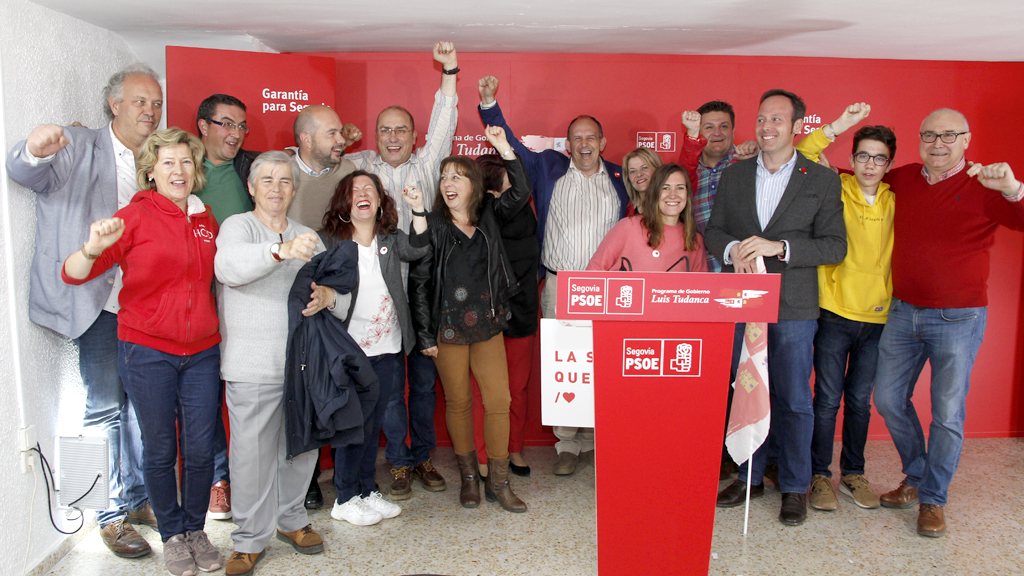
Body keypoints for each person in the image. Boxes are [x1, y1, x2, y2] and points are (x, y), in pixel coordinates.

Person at [4, 63, 160, 558]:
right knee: (103, 406)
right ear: (114, 105)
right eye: (140, 101)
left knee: (139, 406)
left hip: (140, 304)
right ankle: (108, 516)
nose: (151, 111)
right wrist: (32, 149)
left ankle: (137, 498)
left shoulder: (158, 159)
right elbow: (24, 171)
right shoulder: (78, 145)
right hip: (94, 301)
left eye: (156, 103)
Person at [61, 128, 224, 576]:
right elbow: (73, 273)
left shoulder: (206, 220)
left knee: (200, 449)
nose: (179, 170)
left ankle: (195, 530)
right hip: (147, 350)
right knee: (159, 448)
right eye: (168, 162)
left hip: (202, 353)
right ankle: (172, 535)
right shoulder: (134, 216)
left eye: (186, 161)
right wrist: (92, 247)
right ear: (151, 171)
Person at [872, 108, 1024, 537]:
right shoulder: (903, 178)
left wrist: (1013, 188)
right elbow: (857, 176)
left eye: (948, 135)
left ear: (966, 140)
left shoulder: (985, 184)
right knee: (887, 399)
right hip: (903, 311)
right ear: (920, 139)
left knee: (947, 413)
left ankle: (933, 499)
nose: (938, 143)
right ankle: (917, 474)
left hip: (959, 317)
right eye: (929, 135)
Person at [705, 89, 846, 527]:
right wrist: (732, 249)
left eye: (777, 120)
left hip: (793, 307)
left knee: (794, 398)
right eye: (762, 119)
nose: (766, 127)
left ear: (797, 126)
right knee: (745, 390)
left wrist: (780, 247)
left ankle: (795, 486)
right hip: (742, 302)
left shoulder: (821, 179)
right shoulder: (734, 175)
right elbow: (714, 230)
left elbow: (835, 246)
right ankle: (749, 478)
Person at [478, 75, 628, 476]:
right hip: (561, 283)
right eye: (577, 138)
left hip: (608, 289)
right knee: (567, 363)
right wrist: (490, 104)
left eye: (591, 137)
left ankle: (596, 439)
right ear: (567, 144)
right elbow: (508, 143)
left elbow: (668, 188)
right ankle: (567, 445)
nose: (584, 143)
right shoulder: (548, 167)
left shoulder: (622, 178)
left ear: (603, 142)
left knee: (603, 365)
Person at [342, 41, 460, 500]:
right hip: (380, 301)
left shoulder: (428, 165)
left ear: (414, 137)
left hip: (425, 297)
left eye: (401, 130)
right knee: (390, 391)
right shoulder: (360, 167)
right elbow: (312, 158)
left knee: (425, 387)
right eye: (385, 130)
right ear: (375, 136)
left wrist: (449, 70)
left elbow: (444, 119)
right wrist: (337, 142)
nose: (393, 137)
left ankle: (424, 457)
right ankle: (398, 462)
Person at [214, 151, 327, 576]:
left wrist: (330, 297)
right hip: (252, 366)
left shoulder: (308, 235)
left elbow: (338, 288)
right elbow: (228, 268)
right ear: (251, 187)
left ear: (294, 189)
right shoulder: (238, 227)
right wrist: (280, 251)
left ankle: (292, 520)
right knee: (251, 458)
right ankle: (248, 539)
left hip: (302, 367)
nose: (276, 188)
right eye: (267, 180)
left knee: (299, 451)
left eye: (284, 181)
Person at [409, 126, 531, 512]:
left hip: (488, 324)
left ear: (474, 185)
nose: (448, 183)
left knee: (499, 400)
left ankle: (499, 482)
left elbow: (521, 192)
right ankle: (469, 479)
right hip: (447, 329)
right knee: (459, 402)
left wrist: (504, 149)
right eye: (444, 177)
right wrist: (424, 334)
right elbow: (419, 281)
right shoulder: (432, 223)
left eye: (457, 176)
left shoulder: (490, 214)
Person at [793, 103, 894, 513]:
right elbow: (803, 154)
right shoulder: (836, 186)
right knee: (827, 399)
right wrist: (838, 126)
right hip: (835, 312)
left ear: (889, 164)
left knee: (860, 402)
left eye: (879, 158)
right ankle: (819, 475)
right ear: (852, 159)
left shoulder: (896, 198)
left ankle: (853, 472)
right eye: (863, 156)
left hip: (879, 318)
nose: (870, 164)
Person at [315, 169, 429, 525]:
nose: (363, 194)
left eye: (370, 189)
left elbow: (420, 248)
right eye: (355, 190)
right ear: (344, 202)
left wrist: (419, 210)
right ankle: (345, 497)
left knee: (373, 424)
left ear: (380, 201)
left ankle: (365, 491)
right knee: (353, 427)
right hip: (349, 352)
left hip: (389, 347)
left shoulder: (390, 239)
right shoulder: (328, 241)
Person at [195, 92, 261, 521]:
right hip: (194, 300)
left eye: (241, 126)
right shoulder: (180, 167)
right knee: (204, 398)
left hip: (240, 300)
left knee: (248, 392)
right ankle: (219, 481)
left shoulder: (249, 168)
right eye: (226, 124)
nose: (235, 134)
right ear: (203, 126)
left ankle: (251, 479)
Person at [470, 153, 540, 477]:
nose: (518, 186)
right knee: (484, 390)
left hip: (523, 306)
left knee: (518, 388)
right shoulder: (484, 210)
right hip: (490, 311)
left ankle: (514, 449)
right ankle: (483, 454)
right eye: (510, 180)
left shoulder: (524, 207)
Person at [679, 101, 758, 273]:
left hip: (747, 271)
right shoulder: (688, 171)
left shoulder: (750, 161)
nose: (717, 133)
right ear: (699, 132)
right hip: (700, 273)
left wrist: (761, 156)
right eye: (709, 127)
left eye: (724, 126)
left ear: (733, 131)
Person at [587, 163, 708, 273]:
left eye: (680, 188)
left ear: (688, 194)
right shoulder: (629, 227)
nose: (673, 195)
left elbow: (700, 287)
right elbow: (593, 271)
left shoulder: (694, 239)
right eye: (665, 188)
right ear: (654, 193)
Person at [288, 104, 360, 229]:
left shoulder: (348, 171)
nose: (342, 140)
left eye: (340, 132)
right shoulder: (282, 175)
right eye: (331, 133)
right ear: (307, 140)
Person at [621, 147, 664, 215]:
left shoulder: (669, 204)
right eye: (633, 171)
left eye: (644, 168)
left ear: (657, 169)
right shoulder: (625, 209)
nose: (639, 174)